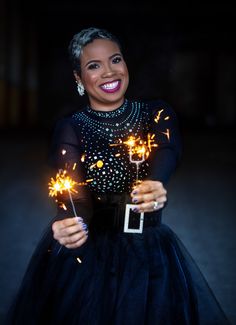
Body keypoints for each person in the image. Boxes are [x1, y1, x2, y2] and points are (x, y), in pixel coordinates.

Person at [7, 27, 230, 325]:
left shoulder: (155, 113)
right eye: (93, 66)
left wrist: (156, 182)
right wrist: (69, 221)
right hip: (90, 256)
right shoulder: (70, 127)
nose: (109, 73)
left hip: (148, 250)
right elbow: (72, 189)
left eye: (115, 60)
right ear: (78, 78)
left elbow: (167, 149)